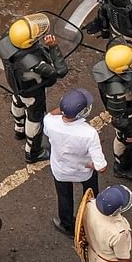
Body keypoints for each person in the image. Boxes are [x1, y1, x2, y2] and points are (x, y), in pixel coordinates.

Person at [46, 90, 105, 235]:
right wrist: (88, 164)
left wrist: (64, 108)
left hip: (60, 170)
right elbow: (101, 167)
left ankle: (66, 225)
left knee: (64, 197)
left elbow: (52, 114)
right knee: (91, 194)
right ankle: (92, 219)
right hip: (83, 172)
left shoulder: (49, 122)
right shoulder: (89, 133)